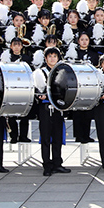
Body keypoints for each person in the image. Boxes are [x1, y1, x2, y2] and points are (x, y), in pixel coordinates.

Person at [36, 47, 71, 176]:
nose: (52, 58)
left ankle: (57, 163)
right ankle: (46, 165)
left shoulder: (61, 71)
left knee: (57, 137)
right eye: (49, 56)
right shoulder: (40, 72)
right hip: (45, 109)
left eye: (54, 56)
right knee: (45, 138)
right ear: (46, 58)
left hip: (57, 109)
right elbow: (38, 89)